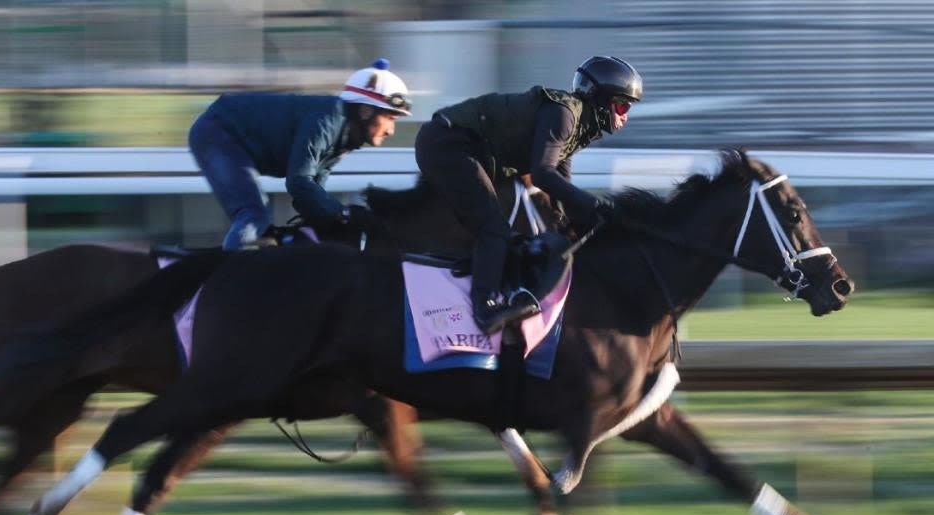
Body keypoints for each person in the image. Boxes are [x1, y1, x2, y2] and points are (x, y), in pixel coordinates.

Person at [414, 55, 643, 334]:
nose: (625, 116)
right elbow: (542, 173)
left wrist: (568, 223)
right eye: (621, 106)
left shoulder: (579, 126)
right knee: (494, 229)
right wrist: (596, 205)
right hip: (448, 143)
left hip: (468, 149)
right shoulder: (564, 115)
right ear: (601, 99)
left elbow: (559, 181)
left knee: (514, 235)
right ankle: (484, 311)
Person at [189, 59, 412, 250]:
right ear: (365, 111)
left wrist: (338, 220)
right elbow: (298, 182)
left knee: (270, 229)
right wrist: (344, 215)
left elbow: (312, 196)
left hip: (230, 134)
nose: (391, 130)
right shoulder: (328, 120)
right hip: (217, 132)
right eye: (390, 118)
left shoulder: (345, 137)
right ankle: (229, 278)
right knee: (253, 213)